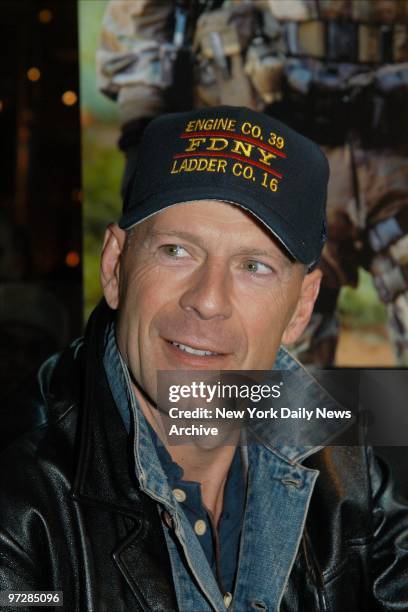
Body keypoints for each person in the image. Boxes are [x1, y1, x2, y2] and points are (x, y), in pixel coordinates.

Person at [1, 106, 408, 611]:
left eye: (254, 266)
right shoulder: (21, 502)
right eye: (176, 251)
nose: (209, 299)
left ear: (302, 307)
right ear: (114, 267)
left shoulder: (336, 454)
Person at [97, 0, 408, 367]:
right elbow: (142, 32)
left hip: (394, 152)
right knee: (269, 383)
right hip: (254, 176)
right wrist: (145, 158)